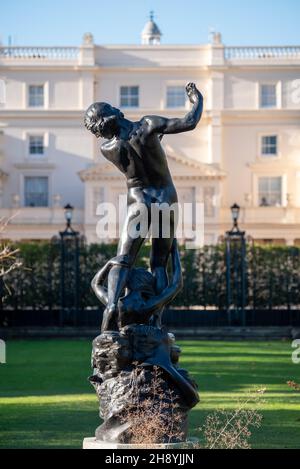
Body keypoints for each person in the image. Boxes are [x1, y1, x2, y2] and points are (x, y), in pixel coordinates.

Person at [85, 82, 203, 331]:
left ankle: (110, 307)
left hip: (138, 201)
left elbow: (134, 150)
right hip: (164, 198)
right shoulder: (148, 125)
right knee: (158, 263)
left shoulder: (108, 148)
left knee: (123, 259)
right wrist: (196, 99)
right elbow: (190, 122)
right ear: (114, 112)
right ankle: (156, 318)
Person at [91, 239, 183, 330]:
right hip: (142, 330)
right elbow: (176, 285)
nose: (143, 269)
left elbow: (95, 284)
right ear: (147, 286)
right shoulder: (145, 306)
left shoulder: (116, 303)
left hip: (119, 328)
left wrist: (109, 263)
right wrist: (174, 251)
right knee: (159, 268)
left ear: (128, 282)